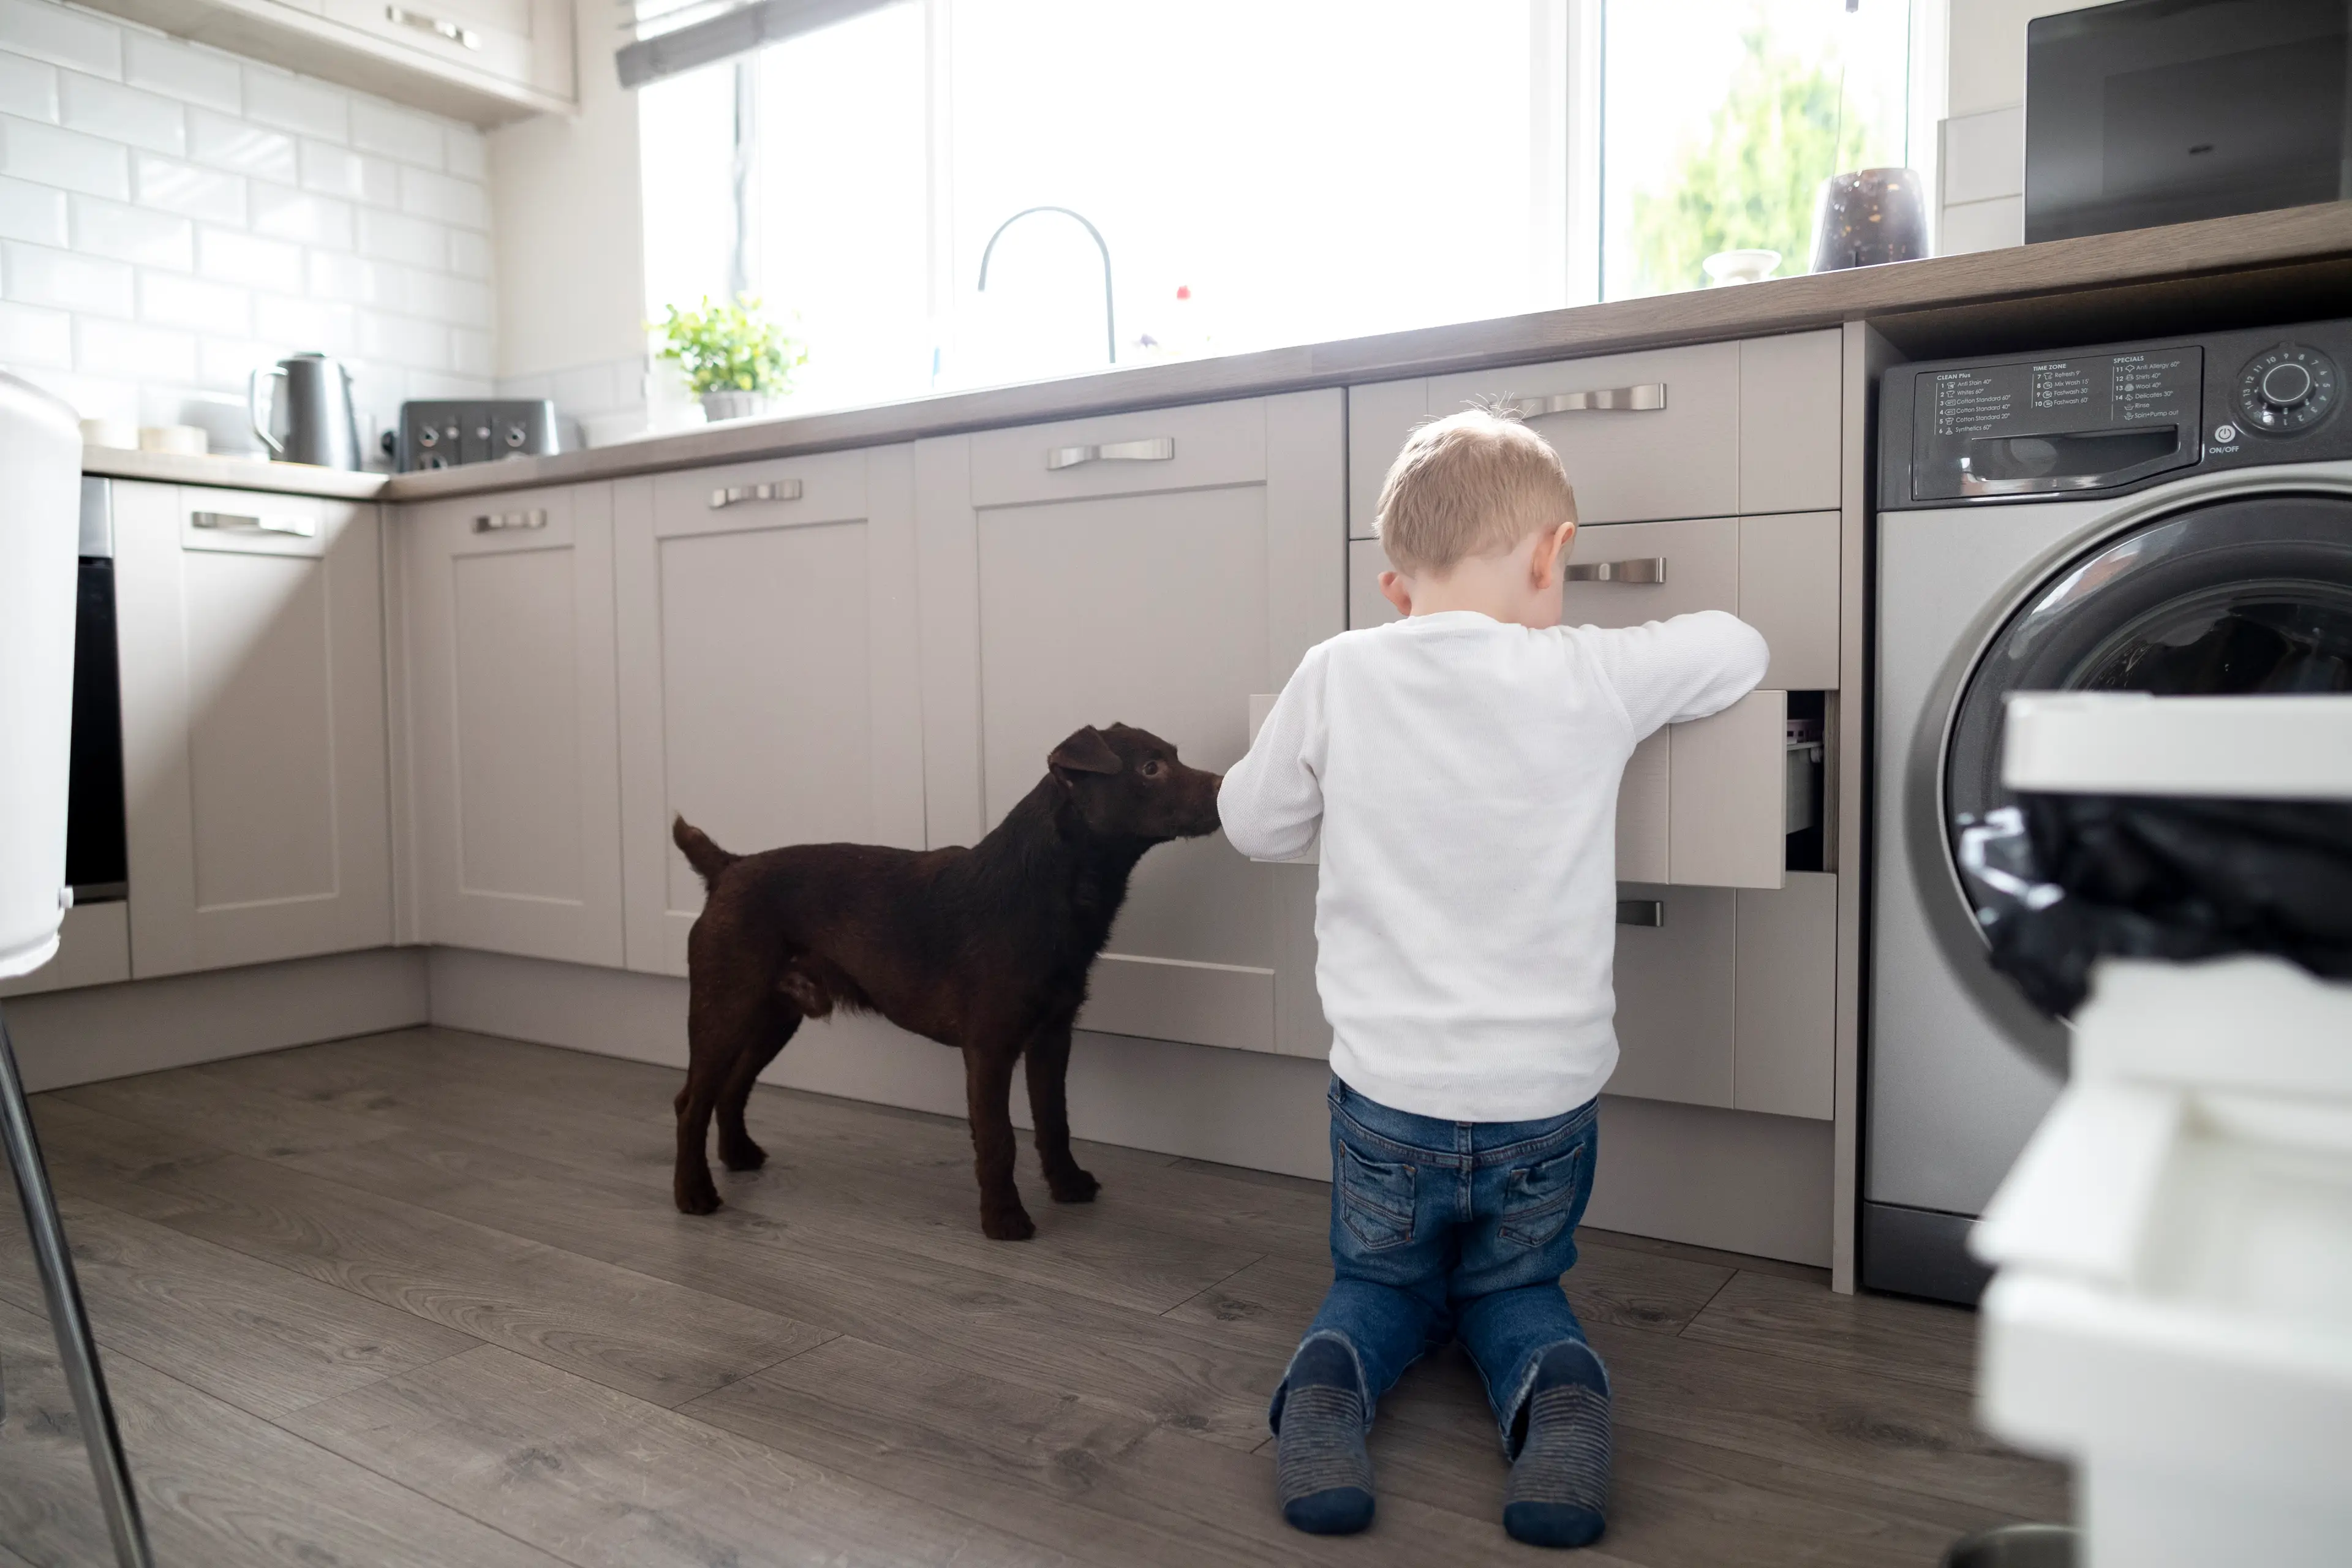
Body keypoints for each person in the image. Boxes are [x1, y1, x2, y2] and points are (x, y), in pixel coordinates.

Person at [1219, 407, 1767, 1548]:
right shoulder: (1590, 672)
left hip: (1387, 1101)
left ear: (1394, 586)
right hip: (1543, 1110)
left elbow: (1254, 824)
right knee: (1514, 1293)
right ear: (1549, 552)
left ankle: (1329, 1384)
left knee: (1380, 1285)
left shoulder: (1337, 672)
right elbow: (1738, 648)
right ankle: (1554, 1391)